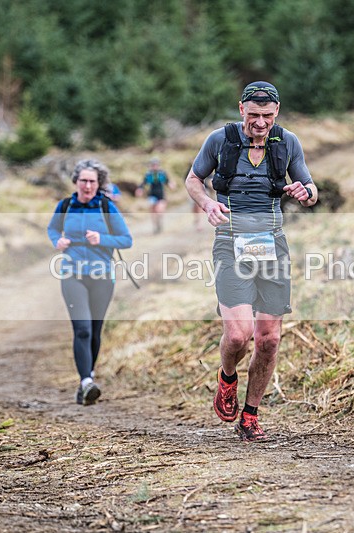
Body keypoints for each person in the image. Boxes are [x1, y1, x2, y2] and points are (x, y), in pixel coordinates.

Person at [185, 81, 318, 442]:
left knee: (269, 339)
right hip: (230, 243)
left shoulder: (287, 142)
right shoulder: (220, 140)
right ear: (241, 109)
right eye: (255, 115)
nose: (261, 123)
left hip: (272, 245)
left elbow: (310, 187)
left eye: (268, 116)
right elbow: (194, 178)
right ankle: (227, 378)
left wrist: (306, 192)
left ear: (277, 113)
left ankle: (250, 414)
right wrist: (208, 204)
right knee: (239, 334)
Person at [47, 159, 133, 406]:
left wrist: (102, 239)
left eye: (92, 181)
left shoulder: (107, 207)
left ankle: (88, 379)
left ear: (99, 183)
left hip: (102, 275)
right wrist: (57, 242)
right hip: (72, 274)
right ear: (75, 182)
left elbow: (126, 240)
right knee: (82, 328)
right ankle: (86, 381)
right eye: (83, 180)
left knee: (95, 331)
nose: (87, 185)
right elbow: (53, 229)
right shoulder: (65, 205)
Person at [137, 157, 175, 233]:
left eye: (156, 165)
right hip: (152, 195)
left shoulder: (162, 173)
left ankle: (159, 223)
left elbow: (167, 181)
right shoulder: (148, 174)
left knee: (159, 210)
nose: (154, 166)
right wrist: (140, 189)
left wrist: (171, 185)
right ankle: (155, 226)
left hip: (161, 195)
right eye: (153, 165)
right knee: (153, 211)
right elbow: (143, 183)